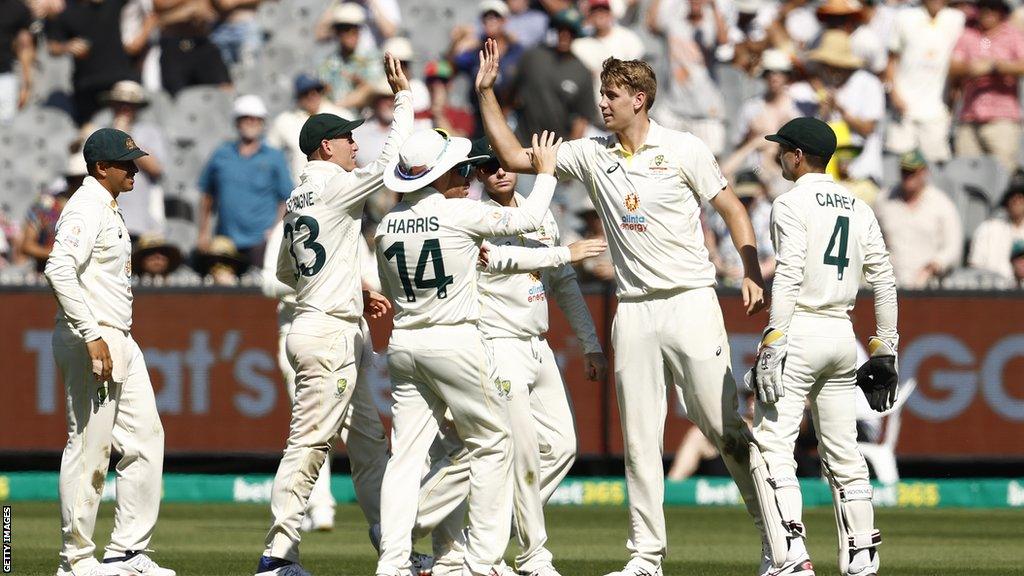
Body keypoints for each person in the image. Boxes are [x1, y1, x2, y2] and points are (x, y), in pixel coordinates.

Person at [477, 41, 769, 576]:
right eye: (601, 95)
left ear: (640, 99)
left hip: (690, 303)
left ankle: (778, 541)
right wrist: (488, 94)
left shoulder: (684, 149)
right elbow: (517, 157)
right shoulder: (594, 153)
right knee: (639, 440)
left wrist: (749, 270)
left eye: (611, 95)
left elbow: (731, 209)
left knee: (725, 428)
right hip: (633, 310)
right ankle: (646, 557)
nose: (603, 104)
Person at [406, 139, 609, 576]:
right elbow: (498, 259)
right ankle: (531, 556)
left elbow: (565, 285)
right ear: (478, 174)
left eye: (505, 164)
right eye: (489, 167)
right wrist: (562, 252)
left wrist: (590, 342)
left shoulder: (540, 216)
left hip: (537, 344)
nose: (499, 172)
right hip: (495, 346)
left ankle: (505, 527)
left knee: (561, 446)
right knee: (516, 454)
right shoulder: (472, 216)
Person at [371, 128, 559, 576]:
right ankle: (483, 561)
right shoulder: (459, 213)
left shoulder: (385, 224)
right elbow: (527, 221)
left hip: (404, 344)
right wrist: (546, 174)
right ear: (436, 176)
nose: (469, 175)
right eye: (460, 169)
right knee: (494, 443)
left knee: (406, 457)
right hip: (453, 339)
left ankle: (392, 562)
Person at [254, 52, 411, 576]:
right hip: (328, 333)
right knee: (308, 445)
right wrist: (404, 99)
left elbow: (284, 271)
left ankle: (393, 546)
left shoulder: (299, 196)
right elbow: (390, 164)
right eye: (348, 138)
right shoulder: (334, 183)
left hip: (324, 324)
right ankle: (278, 554)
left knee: (368, 445)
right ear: (326, 146)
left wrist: (353, 283)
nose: (355, 144)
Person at [748, 116, 897, 576]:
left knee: (771, 446)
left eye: (782, 150)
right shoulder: (859, 205)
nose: (778, 157)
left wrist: (774, 337)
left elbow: (789, 272)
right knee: (844, 453)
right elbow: (885, 281)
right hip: (841, 335)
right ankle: (862, 560)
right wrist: (886, 350)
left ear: (796, 156)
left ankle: (790, 557)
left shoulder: (789, 203)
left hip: (803, 331)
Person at [45, 128, 174, 576]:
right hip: (92, 338)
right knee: (89, 446)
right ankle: (75, 559)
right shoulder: (84, 208)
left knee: (145, 438)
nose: (136, 168)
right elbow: (58, 268)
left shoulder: (108, 207)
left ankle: (127, 552)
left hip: (119, 337)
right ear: (102, 168)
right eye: (127, 162)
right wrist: (91, 333)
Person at [197, 94, 293, 269]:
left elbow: (286, 198)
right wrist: (203, 232)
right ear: (237, 122)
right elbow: (207, 195)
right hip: (225, 240)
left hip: (261, 241)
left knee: (259, 293)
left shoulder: (274, 157)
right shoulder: (221, 154)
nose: (251, 122)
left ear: (262, 123)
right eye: (246, 118)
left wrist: (276, 230)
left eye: (256, 119)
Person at [884, 0, 965, 163]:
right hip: (904, 108)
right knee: (901, 163)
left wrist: (954, 96)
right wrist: (893, 93)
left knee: (935, 163)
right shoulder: (904, 17)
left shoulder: (957, 19)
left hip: (937, 109)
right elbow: (891, 59)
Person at [949, 0, 1024, 172]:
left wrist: (996, 67)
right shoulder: (969, 34)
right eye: (983, 7)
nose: (987, 12)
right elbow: (952, 67)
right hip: (970, 117)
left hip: (1002, 119)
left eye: (992, 8)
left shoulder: (1013, 35)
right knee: (965, 171)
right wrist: (970, 68)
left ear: (1001, 11)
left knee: (1003, 172)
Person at [874, 149, 962, 288]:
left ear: (924, 172)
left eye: (913, 171)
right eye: (905, 171)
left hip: (929, 287)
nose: (908, 177)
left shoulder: (942, 204)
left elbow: (953, 248)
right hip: (890, 284)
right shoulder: (884, 200)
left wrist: (933, 266)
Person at [510, 8, 598, 143]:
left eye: (570, 31)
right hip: (520, 140)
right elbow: (510, 94)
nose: (565, 35)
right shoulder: (533, 56)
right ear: (555, 30)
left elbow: (582, 119)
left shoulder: (582, 72)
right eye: (561, 29)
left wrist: (569, 152)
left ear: (576, 34)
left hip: (555, 147)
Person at [809, 29, 885, 185]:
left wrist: (840, 109)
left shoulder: (869, 83)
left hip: (861, 174)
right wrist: (823, 112)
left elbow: (867, 128)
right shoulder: (827, 87)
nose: (824, 69)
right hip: (831, 177)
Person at [46, 0, 139, 125]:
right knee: (91, 132)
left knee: (122, 129)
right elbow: (53, 46)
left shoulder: (113, 3)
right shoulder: (65, 9)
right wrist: (67, 47)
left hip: (118, 79)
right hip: (86, 85)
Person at [98, 80, 167, 240]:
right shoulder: (100, 132)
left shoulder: (150, 132)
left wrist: (125, 137)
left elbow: (156, 168)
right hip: (104, 220)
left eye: (130, 104)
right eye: (120, 103)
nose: (124, 108)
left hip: (138, 221)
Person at [267, 73, 352, 184]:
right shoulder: (284, 121)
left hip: (339, 186)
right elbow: (270, 156)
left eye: (317, 90)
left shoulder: (341, 115)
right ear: (297, 96)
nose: (312, 95)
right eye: (305, 92)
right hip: (302, 191)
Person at [152, 0, 232, 97]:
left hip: (202, 43)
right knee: (176, 96)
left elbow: (221, 6)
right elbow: (159, 4)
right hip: (175, 45)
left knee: (225, 89)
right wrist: (188, 8)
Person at [23, 153, 85, 274]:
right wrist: (61, 255)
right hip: (47, 274)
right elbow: (27, 246)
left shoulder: (93, 205)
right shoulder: (45, 205)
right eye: (78, 179)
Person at [317, 2, 386, 111]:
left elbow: (373, 89)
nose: (350, 34)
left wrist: (337, 107)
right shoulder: (329, 62)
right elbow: (319, 32)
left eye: (354, 29)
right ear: (337, 32)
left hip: (365, 119)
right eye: (344, 29)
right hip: (335, 119)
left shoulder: (372, 58)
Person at [969, 169, 1024, 280]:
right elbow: (975, 267)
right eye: (1012, 197)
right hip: (994, 292)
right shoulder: (988, 229)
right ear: (1006, 201)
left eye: (1021, 197)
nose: (1016, 201)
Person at [0, 0, 34, 122]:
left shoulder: (17, 8)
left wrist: (26, 85)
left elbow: (25, 46)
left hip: (4, 78)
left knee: (6, 133)